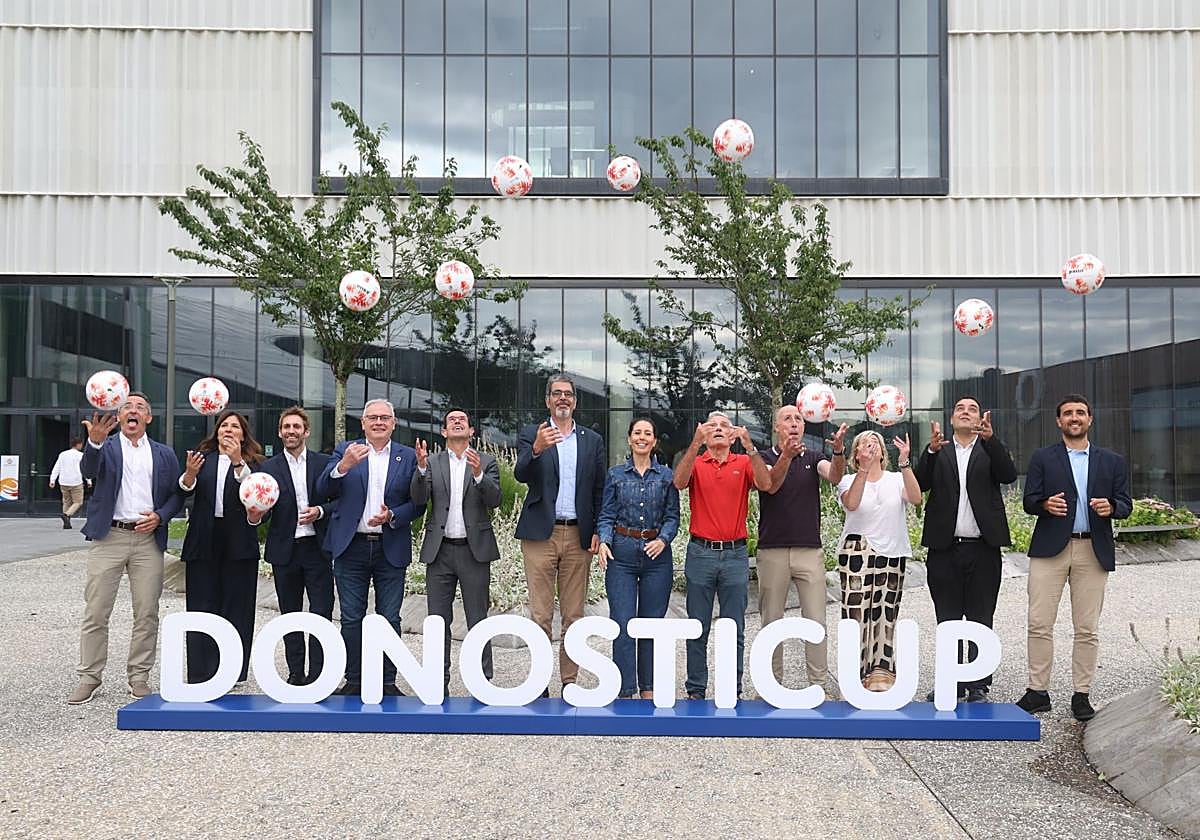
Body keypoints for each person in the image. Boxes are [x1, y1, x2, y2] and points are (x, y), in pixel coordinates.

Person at [1017, 394, 1131, 721]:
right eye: (1067, 413)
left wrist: (1113, 508)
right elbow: (1029, 501)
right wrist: (1043, 505)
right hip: (1050, 548)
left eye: (1080, 413)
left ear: (1089, 419)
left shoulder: (1112, 461)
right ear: (1059, 421)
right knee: (1039, 623)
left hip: (1092, 549)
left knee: (1087, 628)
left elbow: (1125, 503)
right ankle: (1038, 691)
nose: (1074, 417)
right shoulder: (1043, 457)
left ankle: (1082, 694)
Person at [70, 393, 183, 704]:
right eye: (127, 407)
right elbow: (89, 472)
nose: (133, 411)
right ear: (119, 417)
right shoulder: (104, 446)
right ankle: (89, 676)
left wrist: (160, 516)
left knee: (147, 612)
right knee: (96, 611)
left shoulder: (164, 454)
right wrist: (93, 442)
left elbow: (177, 495)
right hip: (109, 537)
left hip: (148, 540)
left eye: (140, 408)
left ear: (148, 418)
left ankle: (139, 677)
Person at [914, 397, 1018, 703]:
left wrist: (991, 440)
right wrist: (930, 451)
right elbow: (919, 483)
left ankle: (977, 683)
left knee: (980, 616)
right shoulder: (939, 450)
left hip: (983, 548)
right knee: (947, 618)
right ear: (951, 420)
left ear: (980, 419)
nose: (965, 412)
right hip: (944, 548)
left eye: (972, 409)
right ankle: (950, 680)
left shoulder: (989, 448)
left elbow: (1008, 474)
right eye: (960, 409)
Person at [317, 399, 419, 697]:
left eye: (384, 418)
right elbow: (323, 489)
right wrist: (343, 466)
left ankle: (387, 681)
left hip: (390, 546)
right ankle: (355, 679)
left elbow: (418, 503)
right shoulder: (345, 450)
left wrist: (394, 516)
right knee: (351, 616)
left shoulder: (408, 456)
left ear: (393, 423)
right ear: (362, 423)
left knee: (390, 617)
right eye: (372, 417)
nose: (378, 422)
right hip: (352, 547)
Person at [514, 374, 606, 695]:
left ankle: (569, 681)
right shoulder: (532, 434)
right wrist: (537, 448)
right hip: (541, 534)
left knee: (574, 614)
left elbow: (599, 489)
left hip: (578, 534)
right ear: (548, 401)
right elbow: (521, 473)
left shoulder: (592, 440)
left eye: (568, 394)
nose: (563, 399)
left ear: (575, 401)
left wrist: (597, 531)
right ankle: (540, 681)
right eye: (557, 394)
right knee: (540, 614)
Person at [674, 411, 772, 701]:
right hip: (700, 552)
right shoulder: (698, 461)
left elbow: (766, 484)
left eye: (724, 426)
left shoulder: (743, 462)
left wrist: (751, 447)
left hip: (734, 554)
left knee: (734, 626)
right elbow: (679, 482)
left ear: (732, 435)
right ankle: (695, 689)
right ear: (704, 433)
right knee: (697, 625)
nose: (718, 430)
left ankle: (732, 688)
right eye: (711, 426)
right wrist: (694, 445)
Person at [410, 408, 502, 696]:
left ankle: (483, 684)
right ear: (444, 432)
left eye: (462, 420)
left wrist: (478, 475)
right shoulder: (432, 462)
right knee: (438, 621)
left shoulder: (486, 461)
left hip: (474, 552)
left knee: (478, 619)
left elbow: (495, 499)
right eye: (452, 421)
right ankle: (438, 685)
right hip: (440, 553)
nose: (457, 422)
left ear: (471, 431)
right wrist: (421, 470)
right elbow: (418, 499)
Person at [758, 406, 848, 695]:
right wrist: (787, 455)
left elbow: (834, 476)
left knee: (816, 619)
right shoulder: (763, 458)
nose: (794, 423)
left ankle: (819, 685)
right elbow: (769, 484)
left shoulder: (814, 458)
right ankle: (771, 684)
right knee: (771, 620)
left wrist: (838, 452)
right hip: (772, 550)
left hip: (810, 551)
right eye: (787, 419)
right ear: (776, 427)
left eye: (798, 419)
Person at [247, 407, 336, 686]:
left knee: (321, 612)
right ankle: (296, 674)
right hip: (285, 550)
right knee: (291, 614)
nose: (291, 431)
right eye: (286, 427)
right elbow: (263, 510)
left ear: (306, 432)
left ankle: (319, 674)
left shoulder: (324, 464)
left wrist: (320, 511)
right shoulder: (267, 468)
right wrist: (254, 515)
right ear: (279, 432)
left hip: (317, 548)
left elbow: (340, 501)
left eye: (296, 427)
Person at [596, 417, 681, 700]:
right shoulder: (616, 475)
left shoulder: (667, 476)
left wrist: (663, 539)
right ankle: (624, 689)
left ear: (654, 441)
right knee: (622, 622)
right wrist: (604, 542)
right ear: (630, 439)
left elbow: (673, 516)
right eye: (637, 433)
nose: (642, 438)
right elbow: (606, 513)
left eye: (648, 433)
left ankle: (649, 687)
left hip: (657, 557)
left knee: (651, 624)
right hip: (622, 554)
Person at [177, 410, 263, 684]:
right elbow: (184, 491)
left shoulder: (255, 463)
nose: (228, 430)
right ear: (216, 431)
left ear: (243, 434)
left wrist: (237, 461)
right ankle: (202, 672)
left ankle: (234, 672)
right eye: (224, 425)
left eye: (235, 426)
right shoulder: (203, 459)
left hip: (239, 542)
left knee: (237, 607)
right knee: (202, 606)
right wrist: (189, 475)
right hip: (204, 539)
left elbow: (254, 491)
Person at [836, 429, 922, 691]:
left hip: (891, 553)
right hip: (856, 551)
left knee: (885, 612)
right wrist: (863, 470)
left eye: (875, 442)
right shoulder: (848, 479)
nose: (871, 445)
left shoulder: (896, 479)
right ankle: (853, 676)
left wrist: (905, 461)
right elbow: (852, 504)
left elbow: (917, 499)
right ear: (856, 453)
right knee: (856, 613)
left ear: (884, 453)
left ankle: (881, 675)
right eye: (864, 443)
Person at [49, 436, 89, 528]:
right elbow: (84, 469)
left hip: (63, 481)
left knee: (66, 502)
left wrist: (52, 479)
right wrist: (88, 480)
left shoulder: (63, 454)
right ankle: (67, 515)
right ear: (78, 444)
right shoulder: (80, 455)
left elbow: (57, 467)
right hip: (76, 481)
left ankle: (66, 523)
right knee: (78, 502)